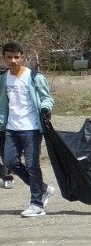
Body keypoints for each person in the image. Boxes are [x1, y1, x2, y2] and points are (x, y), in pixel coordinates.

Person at [2, 43, 55, 217]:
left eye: (16, 57)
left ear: (22, 57)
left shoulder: (33, 77)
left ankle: (37, 204)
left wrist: (45, 109)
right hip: (11, 128)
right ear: (4, 58)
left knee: (32, 165)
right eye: (9, 57)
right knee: (10, 162)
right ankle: (43, 189)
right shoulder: (3, 78)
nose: (13, 60)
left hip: (31, 129)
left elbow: (47, 98)